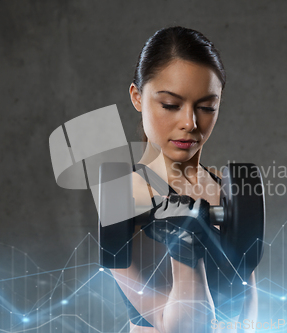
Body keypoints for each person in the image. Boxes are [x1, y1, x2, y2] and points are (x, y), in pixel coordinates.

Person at [109, 26, 258, 333]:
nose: (190, 123)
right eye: (170, 105)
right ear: (137, 97)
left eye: (206, 107)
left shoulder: (227, 189)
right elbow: (178, 326)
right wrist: (185, 248)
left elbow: (246, 319)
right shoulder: (121, 196)